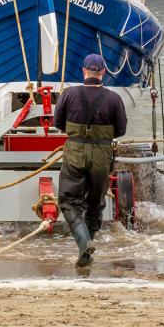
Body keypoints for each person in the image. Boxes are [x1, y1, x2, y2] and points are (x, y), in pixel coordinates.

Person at [52, 53, 128, 268]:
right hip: (102, 155)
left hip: (75, 152)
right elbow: (120, 130)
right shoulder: (114, 98)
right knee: (95, 205)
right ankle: (87, 249)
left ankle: (84, 243)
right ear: (103, 72)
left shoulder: (68, 94)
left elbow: (58, 123)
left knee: (68, 201)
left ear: (84, 71)